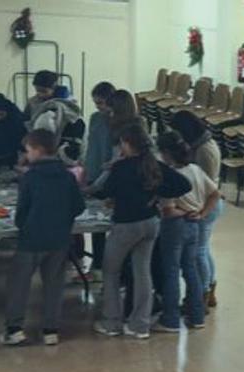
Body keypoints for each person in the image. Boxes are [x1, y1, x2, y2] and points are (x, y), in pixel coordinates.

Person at [92, 123, 190, 339]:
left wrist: (110, 171)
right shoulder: (153, 165)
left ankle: (112, 322)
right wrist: (156, 194)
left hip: (126, 225)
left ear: (126, 144)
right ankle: (139, 325)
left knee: (110, 271)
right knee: (142, 272)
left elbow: (104, 192)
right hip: (150, 223)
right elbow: (184, 185)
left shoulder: (121, 168)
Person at [0, 128, 85, 347]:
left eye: (28, 150)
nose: (26, 155)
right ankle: (50, 330)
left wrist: (23, 226)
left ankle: (15, 330)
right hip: (59, 239)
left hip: (31, 239)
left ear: (37, 149)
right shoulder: (67, 176)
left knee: (19, 284)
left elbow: (22, 210)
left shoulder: (30, 177)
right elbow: (78, 206)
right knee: (54, 285)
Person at [153, 130, 219, 332]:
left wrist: (180, 211)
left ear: (165, 153)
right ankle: (197, 315)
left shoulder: (171, 177)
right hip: (194, 225)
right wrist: (201, 213)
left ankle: (171, 319)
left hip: (175, 227)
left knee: (172, 270)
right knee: (190, 269)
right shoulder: (195, 170)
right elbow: (215, 194)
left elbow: (168, 210)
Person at [170, 109, 224, 308]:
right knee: (203, 249)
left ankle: (203, 292)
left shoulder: (204, 151)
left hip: (206, 205)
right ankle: (208, 287)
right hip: (205, 203)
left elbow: (206, 186)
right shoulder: (201, 144)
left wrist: (199, 211)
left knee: (199, 252)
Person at [83, 81, 115, 186]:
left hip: (109, 169)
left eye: (100, 103)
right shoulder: (95, 118)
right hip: (93, 167)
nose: (97, 106)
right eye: (95, 103)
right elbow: (90, 145)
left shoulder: (118, 121)